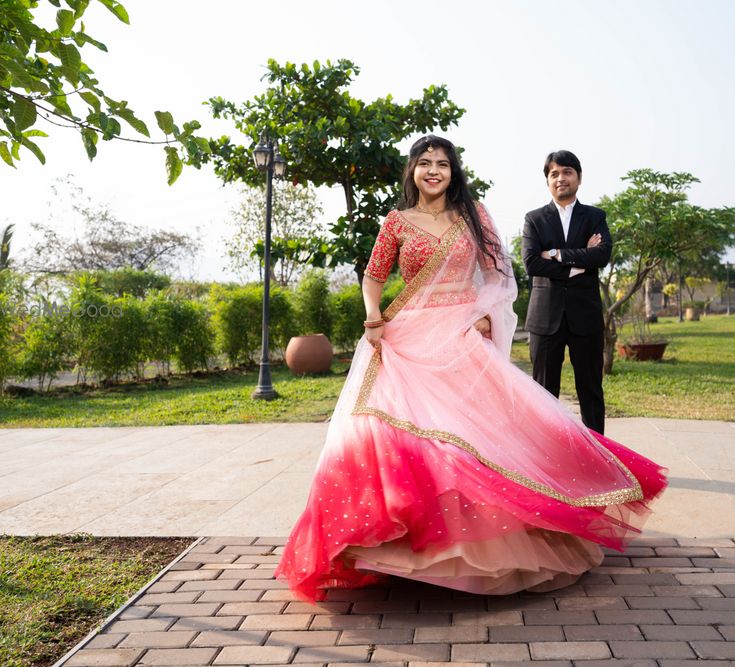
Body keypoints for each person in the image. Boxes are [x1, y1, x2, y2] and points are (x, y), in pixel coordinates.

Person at [276, 136, 667, 601]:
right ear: (413, 171)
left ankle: (481, 548)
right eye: (425, 164)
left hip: (462, 337)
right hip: (408, 339)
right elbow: (373, 275)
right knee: (397, 435)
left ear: (453, 171)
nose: (434, 171)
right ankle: (399, 546)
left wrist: (485, 315)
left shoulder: (473, 216)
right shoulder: (397, 221)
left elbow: (500, 273)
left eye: (442, 164)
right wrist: (373, 317)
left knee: (481, 438)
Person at [522, 150, 611, 434]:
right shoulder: (534, 219)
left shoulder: (595, 216)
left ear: (579, 178)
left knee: (591, 390)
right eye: (554, 174)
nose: (561, 178)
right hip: (545, 319)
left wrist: (557, 254)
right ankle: (545, 457)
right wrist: (577, 261)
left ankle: (600, 456)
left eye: (567, 172)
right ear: (547, 180)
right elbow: (531, 263)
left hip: (585, 317)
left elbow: (601, 255)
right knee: (543, 394)